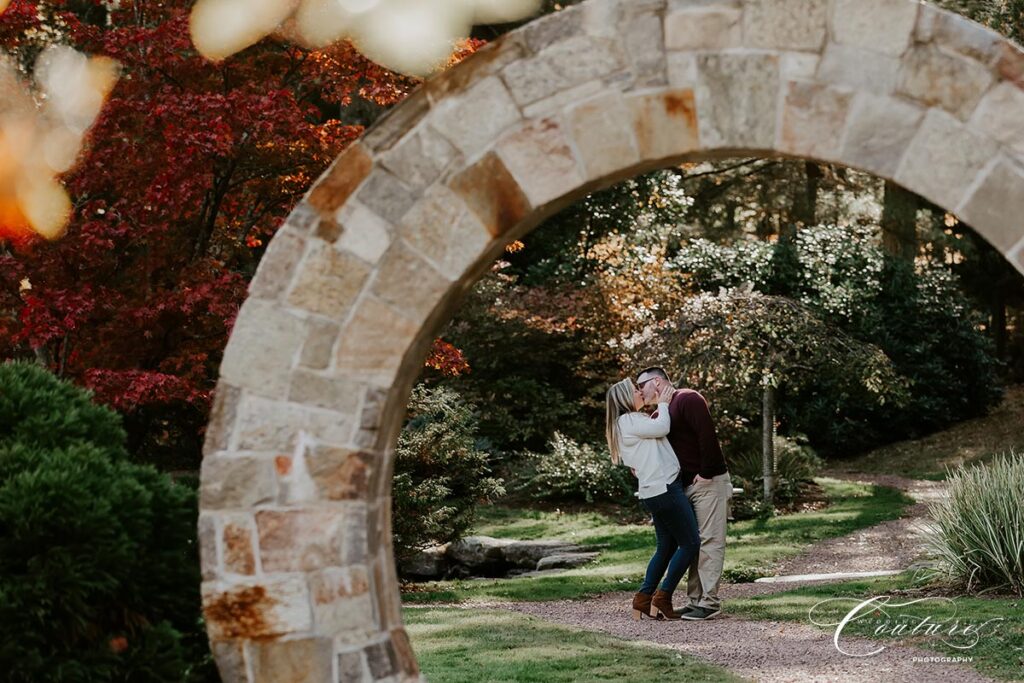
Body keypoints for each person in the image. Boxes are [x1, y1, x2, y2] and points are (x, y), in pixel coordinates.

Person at [636, 366, 732, 621]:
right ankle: (694, 601)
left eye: (641, 385)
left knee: (710, 542)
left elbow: (707, 436)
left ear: (656, 381)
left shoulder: (688, 398)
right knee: (693, 543)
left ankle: (709, 603)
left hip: (707, 481)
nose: (639, 391)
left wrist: (707, 472)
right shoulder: (662, 413)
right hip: (683, 486)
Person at [605, 377, 701, 621]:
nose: (640, 393)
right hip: (665, 489)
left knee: (666, 547)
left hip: (655, 490)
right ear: (626, 398)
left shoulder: (629, 422)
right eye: (636, 390)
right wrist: (665, 404)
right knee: (690, 543)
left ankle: (643, 598)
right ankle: (663, 596)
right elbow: (662, 428)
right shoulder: (628, 420)